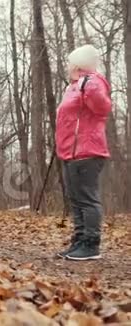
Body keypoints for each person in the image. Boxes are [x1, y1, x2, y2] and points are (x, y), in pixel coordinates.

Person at [55, 44, 112, 261]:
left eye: (70, 62)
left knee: (87, 199)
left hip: (88, 151)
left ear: (79, 65)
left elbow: (103, 108)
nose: (67, 66)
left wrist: (88, 86)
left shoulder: (92, 82)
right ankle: (79, 241)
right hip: (70, 152)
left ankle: (91, 244)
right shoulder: (74, 86)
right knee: (76, 199)